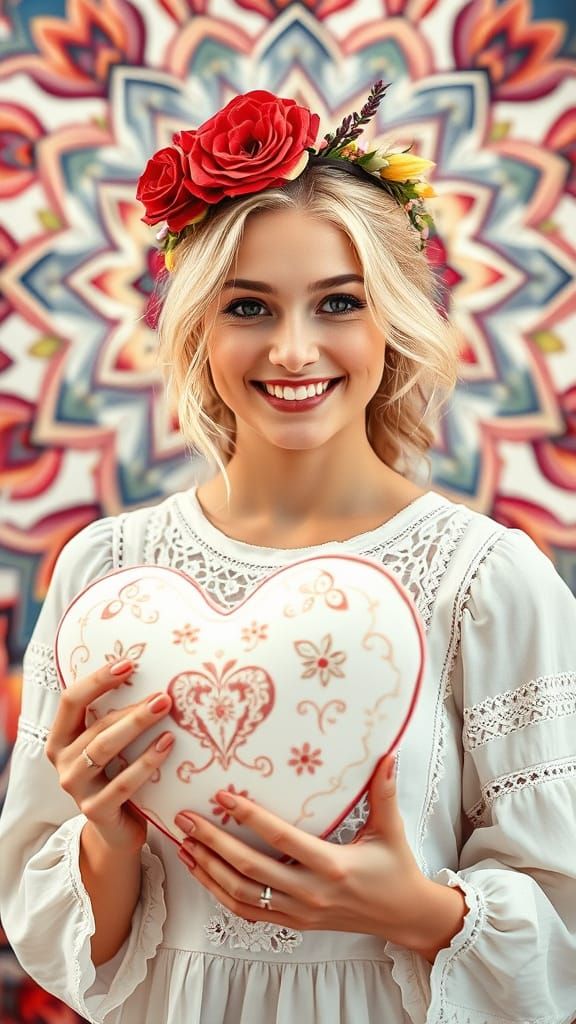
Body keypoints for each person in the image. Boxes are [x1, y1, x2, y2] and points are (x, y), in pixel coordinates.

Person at [0, 84, 575, 1024]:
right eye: (250, 307)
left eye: (338, 303)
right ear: (199, 327)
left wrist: (415, 912)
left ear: (392, 320)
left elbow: (563, 934)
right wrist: (106, 836)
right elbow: (65, 946)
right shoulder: (105, 573)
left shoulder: (488, 584)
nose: (294, 350)